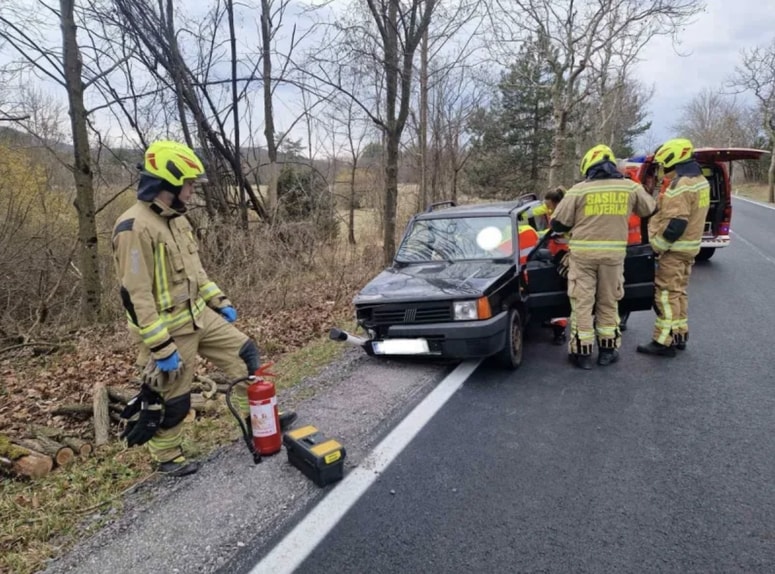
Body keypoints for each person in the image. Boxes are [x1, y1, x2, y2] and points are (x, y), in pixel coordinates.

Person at [112, 140, 297, 476]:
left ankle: (260, 420)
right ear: (169, 182)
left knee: (245, 356)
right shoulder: (134, 227)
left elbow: (197, 274)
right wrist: (160, 347)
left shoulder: (178, 220)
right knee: (174, 400)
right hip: (168, 329)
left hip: (200, 315)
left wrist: (219, 301)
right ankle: (167, 457)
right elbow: (135, 296)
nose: (193, 189)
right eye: (190, 183)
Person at [550, 144, 656, 369]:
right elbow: (649, 209)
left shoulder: (578, 190)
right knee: (609, 303)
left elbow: (557, 223)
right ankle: (607, 352)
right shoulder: (629, 187)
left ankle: (582, 354)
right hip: (613, 258)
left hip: (582, 258)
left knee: (582, 304)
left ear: (589, 166)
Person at [637, 138, 710, 357]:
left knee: (666, 296)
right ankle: (679, 334)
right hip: (689, 250)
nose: (662, 170)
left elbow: (676, 224)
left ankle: (663, 341)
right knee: (679, 293)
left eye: (662, 165)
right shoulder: (700, 181)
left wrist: (656, 247)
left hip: (674, 251)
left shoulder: (681, 185)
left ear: (672, 161)